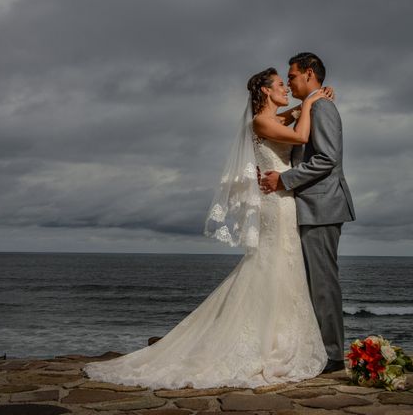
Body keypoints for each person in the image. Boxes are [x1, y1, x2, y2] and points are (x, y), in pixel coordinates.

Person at [82, 67, 333, 389]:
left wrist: (306, 103)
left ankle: (276, 334)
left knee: (280, 267)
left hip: (283, 199)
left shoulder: (273, 119)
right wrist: (312, 102)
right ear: (267, 91)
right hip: (277, 203)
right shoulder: (260, 121)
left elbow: (288, 118)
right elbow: (300, 136)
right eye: (281, 85)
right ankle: (265, 339)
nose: (286, 89)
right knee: (272, 264)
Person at [260, 52, 356, 373]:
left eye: (293, 75)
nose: (289, 81)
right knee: (310, 284)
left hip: (322, 206)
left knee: (323, 284)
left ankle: (333, 356)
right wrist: (309, 103)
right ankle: (317, 349)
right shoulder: (313, 105)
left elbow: (327, 158)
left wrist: (285, 179)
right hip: (309, 207)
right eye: (285, 78)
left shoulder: (323, 107)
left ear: (310, 74)